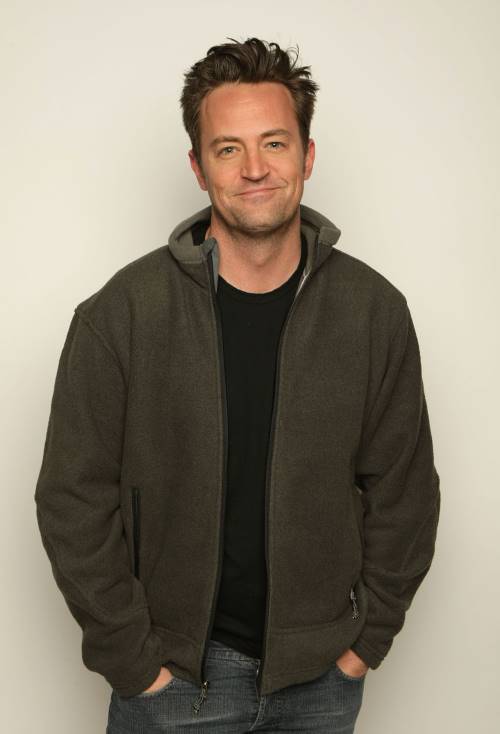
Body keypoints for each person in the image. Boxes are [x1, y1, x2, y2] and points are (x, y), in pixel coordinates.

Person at [34, 37, 441, 733]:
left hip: (320, 683)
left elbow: (405, 494)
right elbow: (72, 498)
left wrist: (362, 646)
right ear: (198, 167)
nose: (255, 168)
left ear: (307, 155)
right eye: (228, 149)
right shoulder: (121, 314)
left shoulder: (374, 313)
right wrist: (135, 663)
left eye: (275, 143)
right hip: (170, 683)